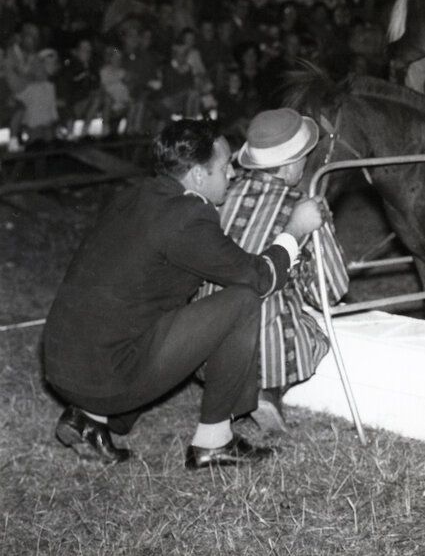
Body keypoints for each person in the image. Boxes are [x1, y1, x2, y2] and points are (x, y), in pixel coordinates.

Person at [42, 119, 326, 468]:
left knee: (138, 314)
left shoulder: (139, 194)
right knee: (242, 301)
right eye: (225, 168)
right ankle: (213, 441)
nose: (233, 175)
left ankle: (89, 421)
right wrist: (294, 229)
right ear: (197, 176)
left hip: (61, 363)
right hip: (105, 378)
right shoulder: (188, 217)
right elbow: (259, 278)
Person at [198, 108, 350, 434]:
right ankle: (268, 388)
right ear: (293, 163)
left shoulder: (218, 196)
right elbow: (332, 291)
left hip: (201, 346)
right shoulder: (303, 207)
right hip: (263, 343)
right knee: (314, 334)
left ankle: (232, 383)